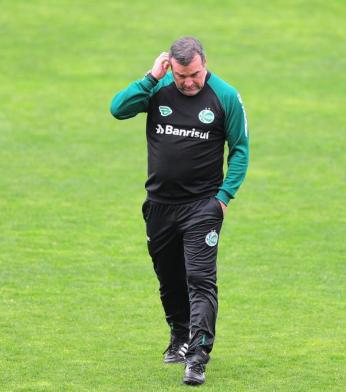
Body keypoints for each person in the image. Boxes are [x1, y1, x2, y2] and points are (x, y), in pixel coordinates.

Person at [110, 36, 249, 386]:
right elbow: (118, 108)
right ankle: (179, 337)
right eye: (182, 75)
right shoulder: (157, 90)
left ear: (205, 64)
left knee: (200, 280)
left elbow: (241, 150)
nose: (189, 82)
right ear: (170, 66)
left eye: (196, 74)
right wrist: (150, 78)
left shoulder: (226, 96)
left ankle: (198, 356)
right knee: (169, 277)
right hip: (159, 205)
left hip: (202, 206)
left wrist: (223, 197)